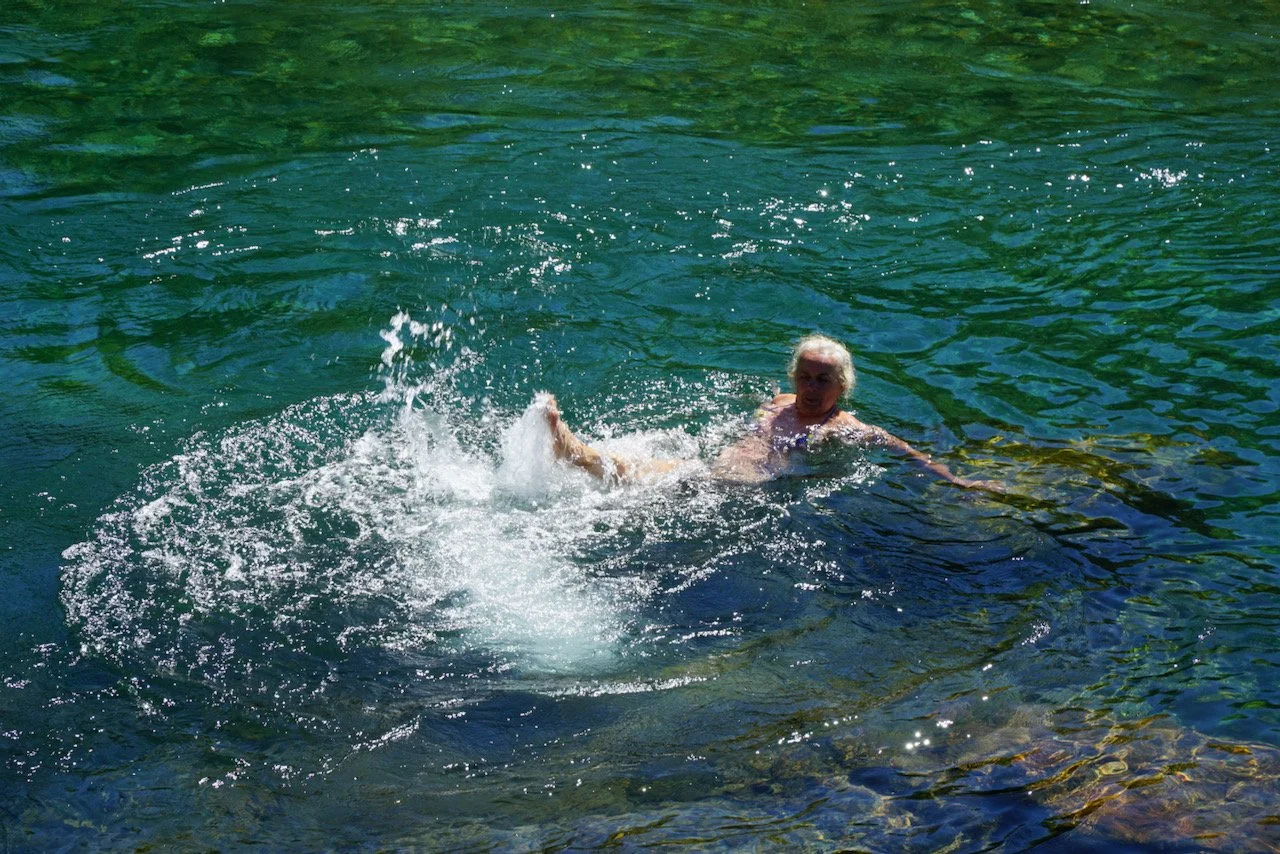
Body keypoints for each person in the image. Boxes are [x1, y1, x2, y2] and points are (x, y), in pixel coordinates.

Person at [541, 334, 1002, 490]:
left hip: (739, 490)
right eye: (804, 376)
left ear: (843, 386)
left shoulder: (845, 428)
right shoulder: (779, 402)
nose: (810, 387)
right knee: (638, 471)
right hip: (710, 473)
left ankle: (570, 449)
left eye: (823, 379)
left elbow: (904, 450)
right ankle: (571, 450)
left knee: (633, 475)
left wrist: (956, 480)